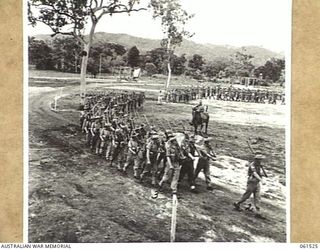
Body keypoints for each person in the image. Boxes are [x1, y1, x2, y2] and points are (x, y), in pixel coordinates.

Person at [152, 132, 182, 198]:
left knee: (176, 177)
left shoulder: (178, 147)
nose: (176, 141)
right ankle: (158, 188)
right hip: (170, 163)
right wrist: (170, 165)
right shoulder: (169, 147)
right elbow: (168, 156)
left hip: (176, 163)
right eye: (174, 140)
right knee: (166, 177)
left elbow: (180, 155)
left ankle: (174, 191)